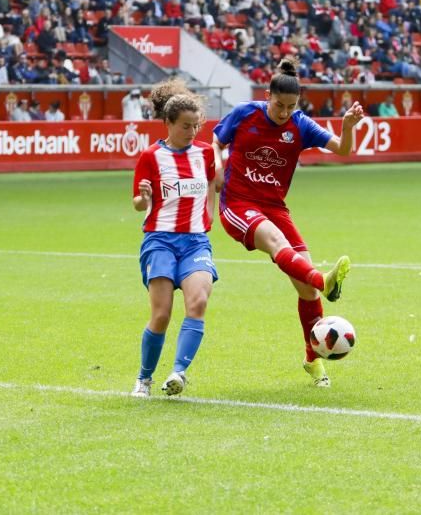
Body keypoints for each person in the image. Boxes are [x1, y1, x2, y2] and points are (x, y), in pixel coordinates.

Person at [212, 56, 361, 388]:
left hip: (275, 207)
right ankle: (326, 280)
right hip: (238, 205)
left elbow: (343, 150)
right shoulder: (244, 113)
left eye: (291, 106)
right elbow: (215, 140)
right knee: (281, 247)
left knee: (306, 291)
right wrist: (218, 165)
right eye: (279, 105)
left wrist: (347, 128)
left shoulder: (300, 124)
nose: (284, 112)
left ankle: (313, 360)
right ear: (268, 95)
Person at [131, 79, 218, 398]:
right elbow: (139, 204)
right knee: (162, 314)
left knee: (198, 302)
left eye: (196, 126)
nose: (192, 132)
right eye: (185, 126)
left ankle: (178, 373)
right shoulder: (151, 157)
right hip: (161, 241)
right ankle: (144, 378)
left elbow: (212, 185)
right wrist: (144, 197)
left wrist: (209, 215)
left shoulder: (205, 154)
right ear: (168, 123)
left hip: (195, 241)